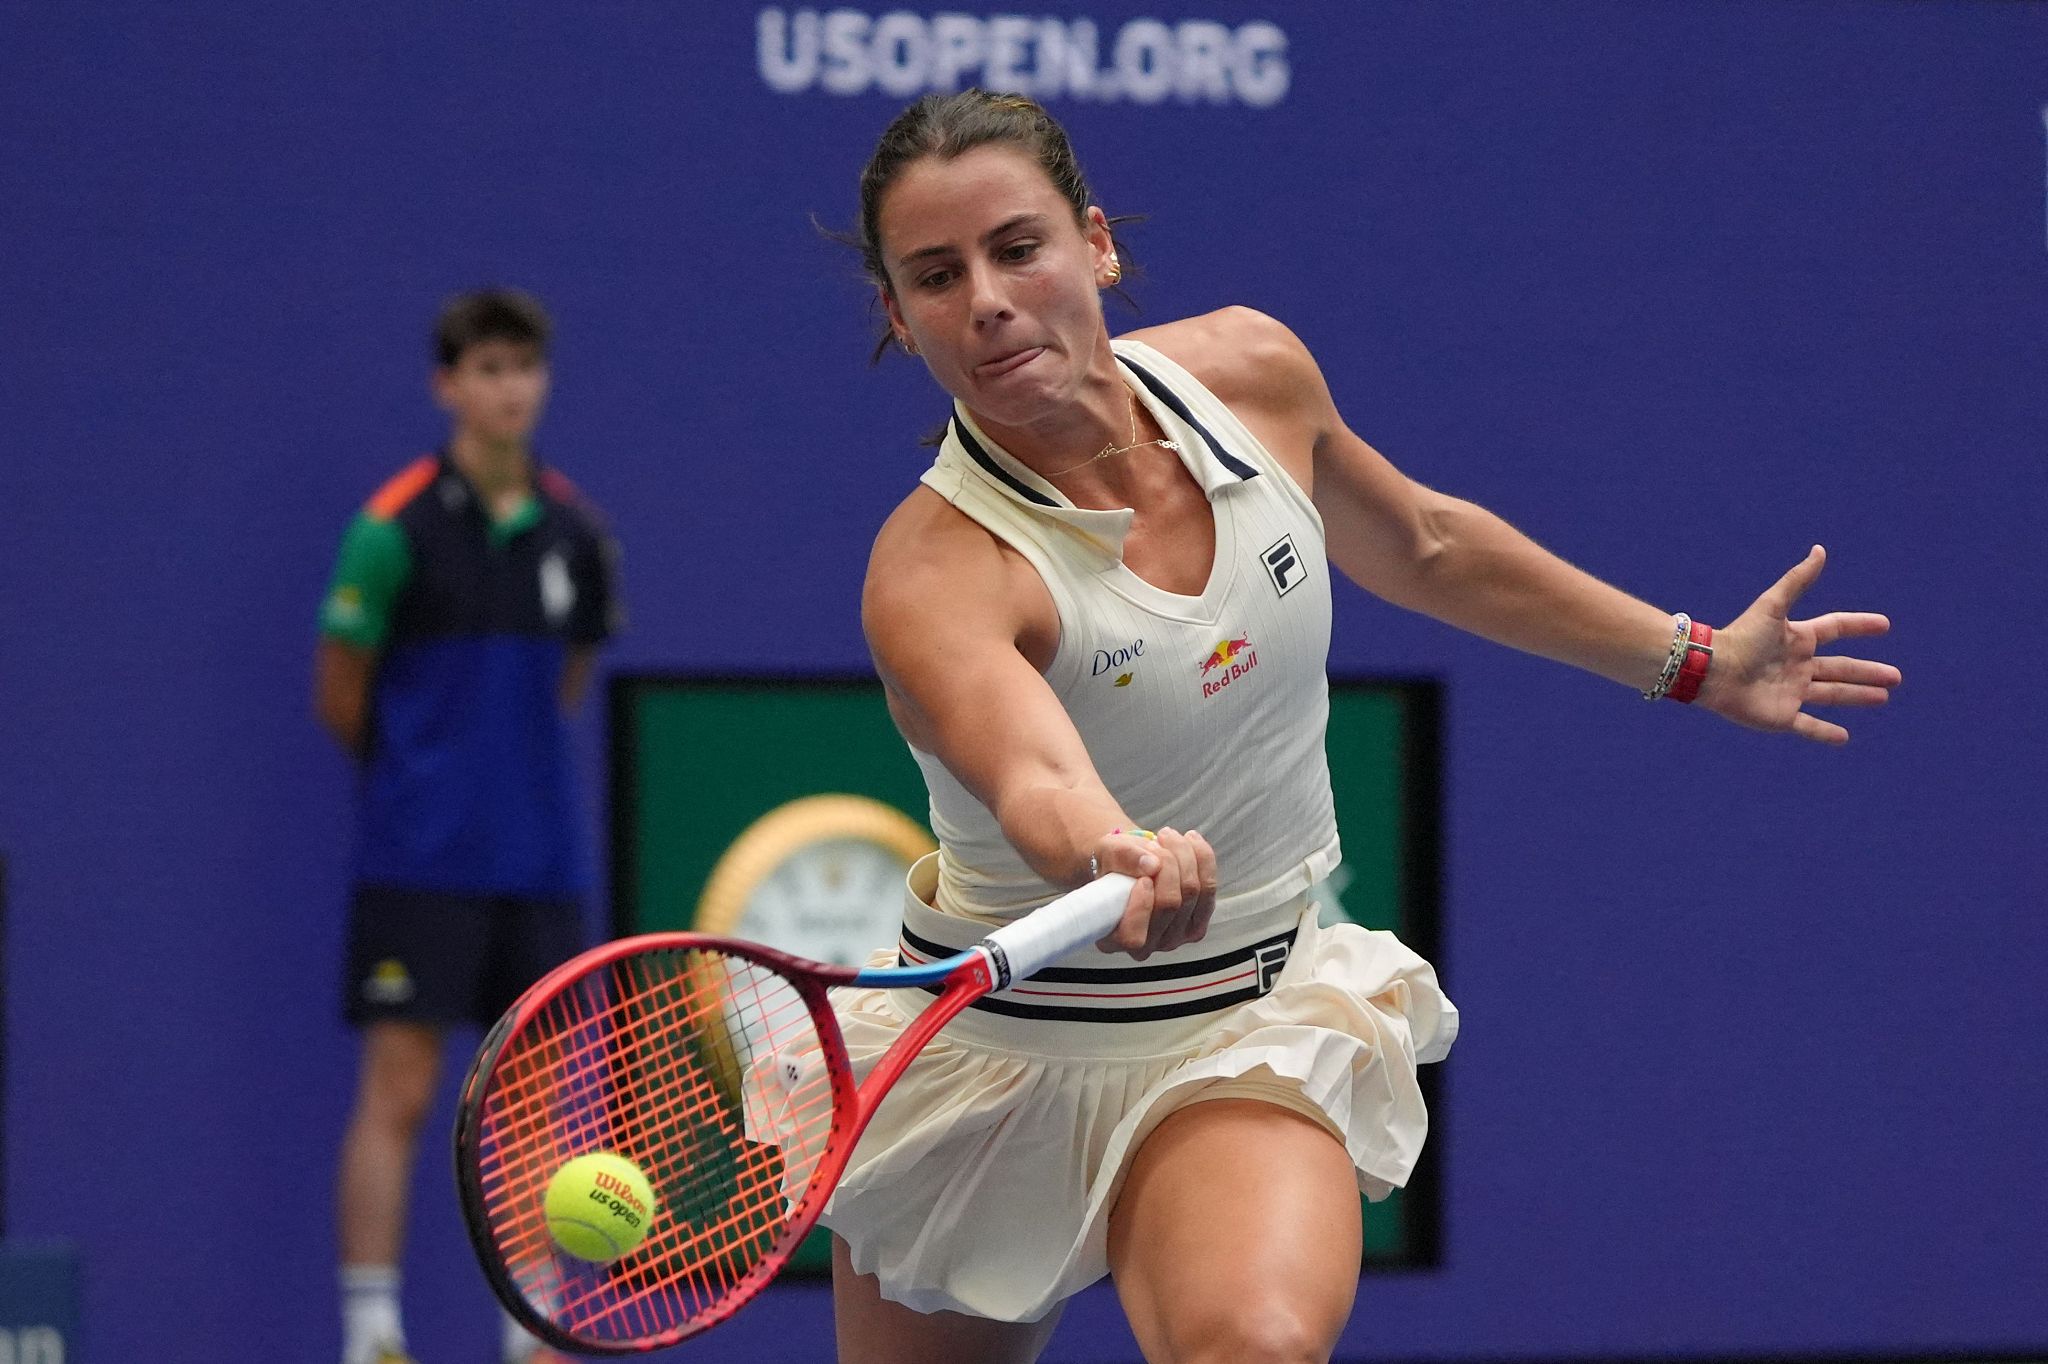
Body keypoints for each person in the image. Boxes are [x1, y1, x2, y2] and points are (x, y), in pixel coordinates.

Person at [830, 90, 1899, 1364]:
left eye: (1018, 247)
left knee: (1253, 1343)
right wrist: (1107, 847)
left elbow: (1428, 545)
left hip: (1242, 1006)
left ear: (1096, 243)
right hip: (995, 1052)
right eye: (935, 277)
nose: (988, 299)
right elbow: (1033, 774)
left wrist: (1694, 660)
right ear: (898, 318)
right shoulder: (933, 571)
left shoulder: (1250, 373)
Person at [316, 289, 622, 1364]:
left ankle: (526, 1330)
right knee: (398, 1088)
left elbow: (568, 684)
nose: (508, 389)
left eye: (522, 369)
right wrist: (427, 784)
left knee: (533, 1104)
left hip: (538, 865)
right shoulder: (391, 527)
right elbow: (341, 687)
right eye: (485, 369)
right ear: (448, 385)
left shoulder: (578, 533)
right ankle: (372, 1329)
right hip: (419, 862)